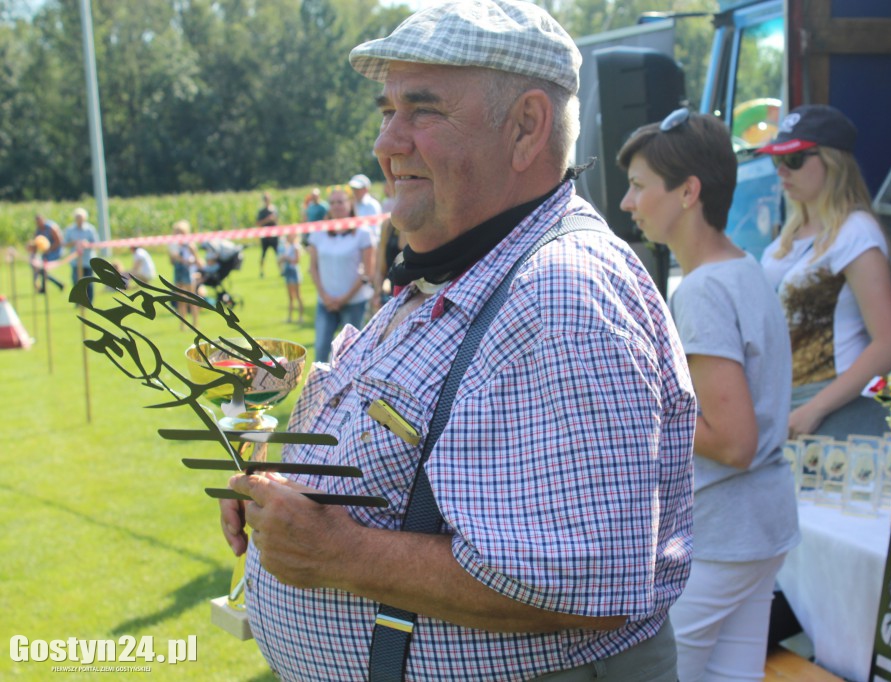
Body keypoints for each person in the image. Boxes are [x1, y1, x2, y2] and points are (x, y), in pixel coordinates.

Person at [218, 2, 696, 680]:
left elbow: (591, 578)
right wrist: (286, 491)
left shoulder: (561, 287)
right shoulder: (471, 260)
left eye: (423, 111)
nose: (387, 142)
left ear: (526, 127)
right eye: (387, 111)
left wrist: (338, 554)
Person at [618, 110, 799, 681]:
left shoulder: (702, 290)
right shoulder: (745, 268)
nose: (628, 202)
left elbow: (734, 442)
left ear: (688, 192)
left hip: (722, 536)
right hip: (758, 529)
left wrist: (639, 402)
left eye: (640, 185)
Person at [758, 104, 891, 439]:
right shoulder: (787, 237)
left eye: (793, 160)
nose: (782, 171)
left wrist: (813, 411)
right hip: (789, 410)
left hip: (839, 416)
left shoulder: (856, 232)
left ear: (832, 161)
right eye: (776, 160)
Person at [306, 185, 375, 363]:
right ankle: (320, 390)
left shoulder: (363, 233)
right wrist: (325, 296)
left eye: (340, 202)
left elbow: (368, 270)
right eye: (332, 202)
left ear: (350, 203)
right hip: (325, 303)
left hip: (354, 303)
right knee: (321, 350)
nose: (336, 206)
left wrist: (344, 298)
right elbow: (313, 268)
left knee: (349, 356)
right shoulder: (319, 232)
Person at [370, 216, 407, 313]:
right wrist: (377, 294)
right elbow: (380, 269)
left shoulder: (424, 224)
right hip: (392, 298)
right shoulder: (388, 225)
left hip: (418, 298)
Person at [168, 220, 199, 328]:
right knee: (180, 299)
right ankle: (183, 324)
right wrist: (175, 258)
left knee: (192, 297)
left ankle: (195, 322)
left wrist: (188, 259)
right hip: (178, 271)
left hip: (188, 271)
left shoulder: (190, 244)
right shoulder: (173, 245)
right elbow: (171, 261)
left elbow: (196, 260)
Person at [64, 207, 98, 302]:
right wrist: (75, 243)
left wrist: (87, 244)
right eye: (77, 218)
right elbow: (65, 243)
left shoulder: (90, 229)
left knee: (88, 282)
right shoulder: (70, 230)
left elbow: (96, 244)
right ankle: (78, 301)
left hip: (88, 260)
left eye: (81, 219)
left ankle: (90, 301)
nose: (79, 221)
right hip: (75, 261)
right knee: (76, 281)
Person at [30, 214, 64, 292]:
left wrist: (49, 249)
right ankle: (57, 285)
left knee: (43, 269)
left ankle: (47, 287)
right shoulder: (38, 230)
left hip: (55, 251)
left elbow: (58, 241)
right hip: (45, 252)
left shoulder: (51, 228)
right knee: (41, 269)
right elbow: (36, 243)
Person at [277, 232, 304, 324]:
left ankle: (300, 317)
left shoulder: (296, 247)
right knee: (290, 297)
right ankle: (290, 317)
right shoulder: (288, 247)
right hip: (288, 272)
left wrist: (286, 258)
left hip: (294, 272)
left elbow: (297, 260)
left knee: (298, 295)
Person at [255, 192, 280, 278]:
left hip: (274, 236)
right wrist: (267, 219)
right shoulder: (261, 212)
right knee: (263, 255)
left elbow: (278, 222)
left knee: (278, 254)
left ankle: (281, 270)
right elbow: (258, 223)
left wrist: (274, 219)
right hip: (265, 236)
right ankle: (261, 271)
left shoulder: (274, 209)